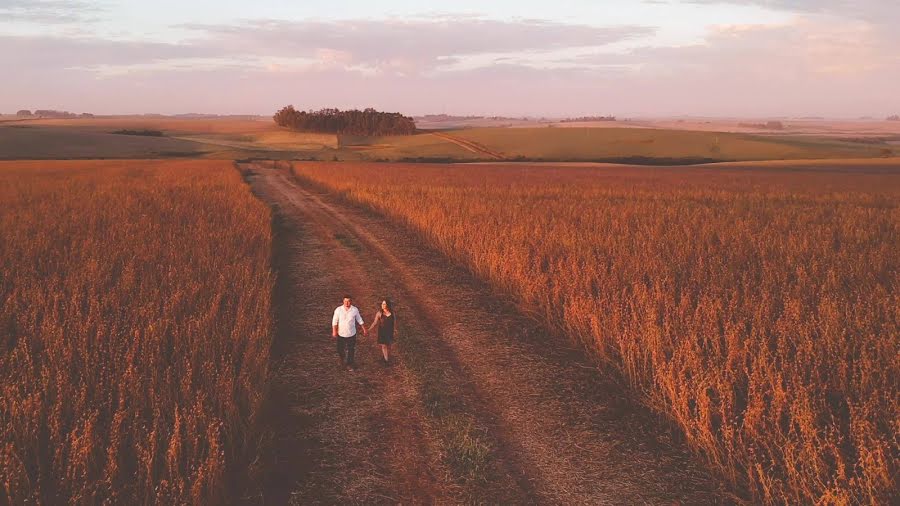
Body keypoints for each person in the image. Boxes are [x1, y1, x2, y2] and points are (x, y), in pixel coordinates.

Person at [332, 295, 367, 370]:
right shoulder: (338, 310)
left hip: (351, 334)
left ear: (351, 301)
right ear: (343, 301)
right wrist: (334, 331)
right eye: (345, 301)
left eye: (348, 301)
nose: (347, 303)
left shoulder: (354, 310)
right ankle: (342, 360)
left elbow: (359, 320)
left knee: (351, 349)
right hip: (341, 333)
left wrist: (364, 329)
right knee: (340, 349)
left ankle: (349, 363)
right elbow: (335, 321)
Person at [367, 299, 396, 365]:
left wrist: (394, 331)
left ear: (388, 305)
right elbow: (374, 323)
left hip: (389, 332)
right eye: (382, 304)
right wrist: (369, 330)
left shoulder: (392, 313)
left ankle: (386, 356)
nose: (382, 305)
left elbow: (394, 323)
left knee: (389, 345)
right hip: (382, 332)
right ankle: (386, 360)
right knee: (384, 346)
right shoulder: (379, 313)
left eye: (384, 304)